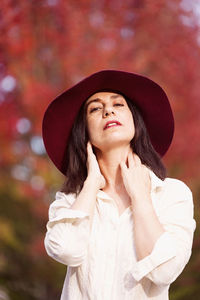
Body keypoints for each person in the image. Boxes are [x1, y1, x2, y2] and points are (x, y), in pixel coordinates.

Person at [42, 70, 195, 300]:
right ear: (84, 132)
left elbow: (164, 272)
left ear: (135, 121)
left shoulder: (172, 194)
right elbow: (65, 249)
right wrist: (92, 183)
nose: (108, 110)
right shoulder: (72, 200)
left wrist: (141, 197)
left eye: (118, 104)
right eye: (95, 108)